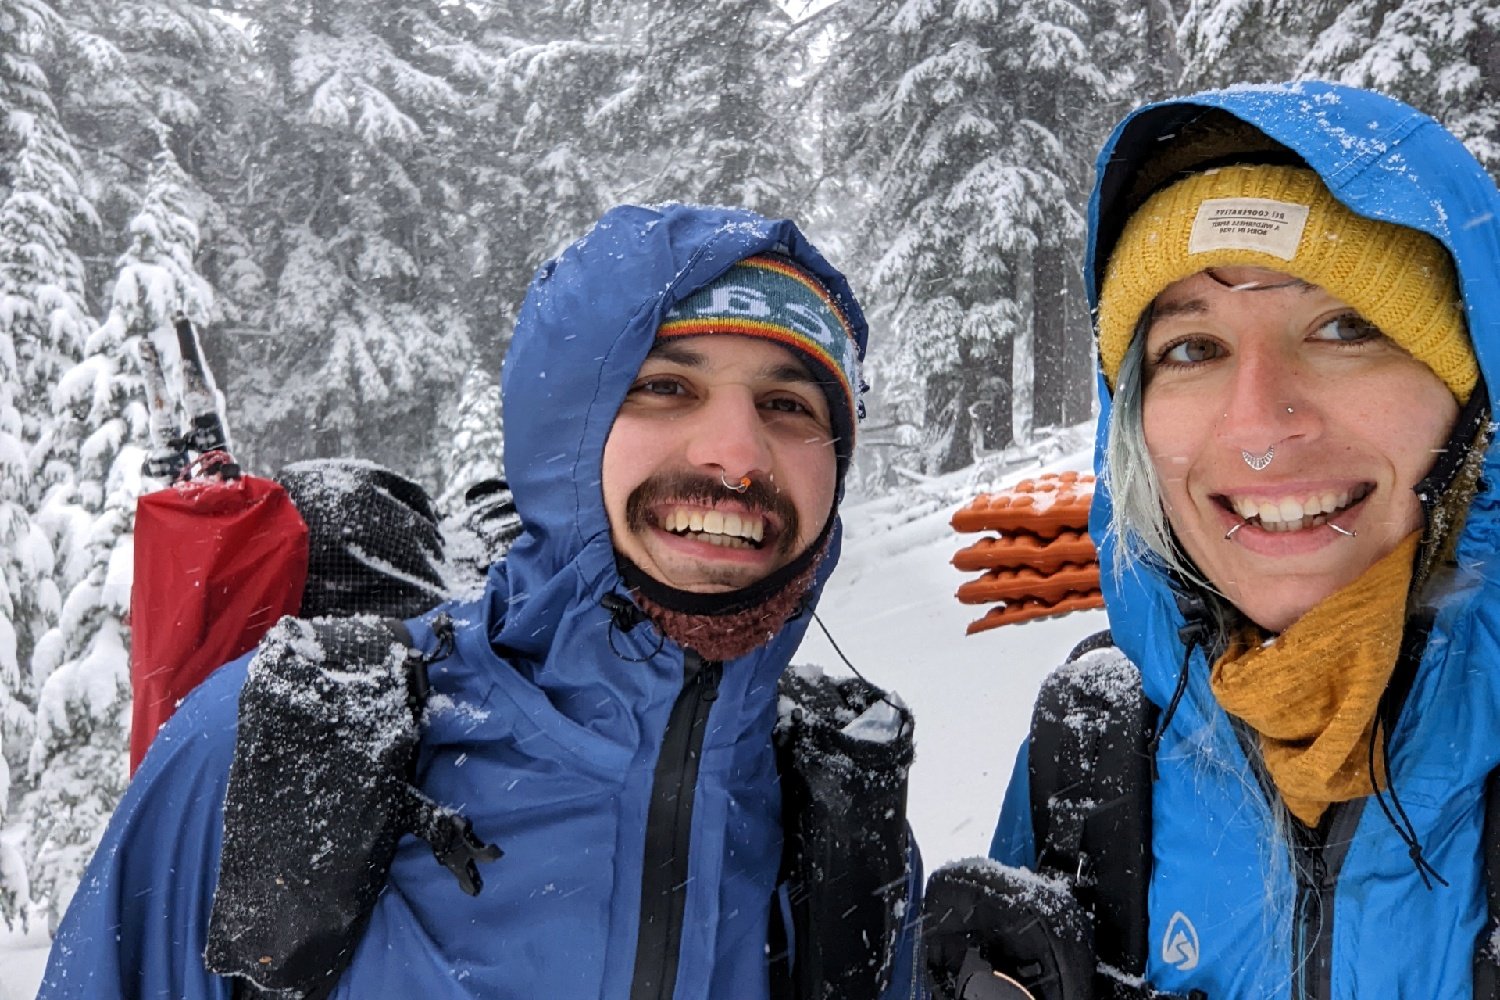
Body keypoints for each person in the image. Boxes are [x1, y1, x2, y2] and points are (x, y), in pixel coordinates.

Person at [40, 204, 922, 999]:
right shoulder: (259, 755)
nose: (738, 454)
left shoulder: (838, 818)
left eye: (787, 403)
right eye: (666, 386)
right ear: (562, 433)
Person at [926, 82, 1500, 999]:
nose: (1260, 430)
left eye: (1346, 327)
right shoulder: (1095, 756)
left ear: (1475, 398)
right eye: (1192, 349)